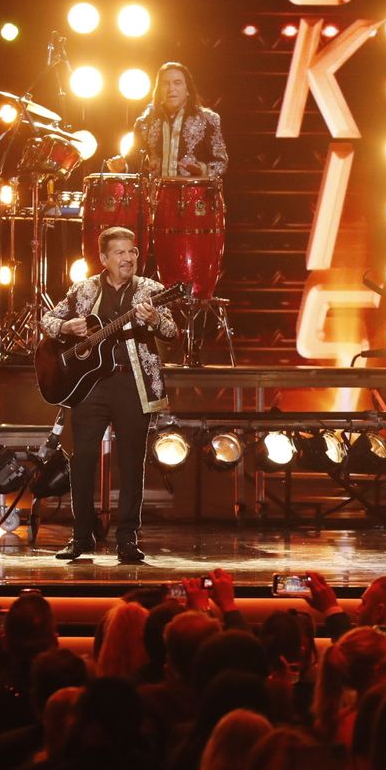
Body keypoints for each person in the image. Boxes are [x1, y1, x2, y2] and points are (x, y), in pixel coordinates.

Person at [42, 226, 180, 563]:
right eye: (119, 253)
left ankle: (128, 539)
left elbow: (173, 331)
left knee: (132, 462)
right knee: (83, 460)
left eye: (131, 252)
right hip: (89, 387)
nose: (128, 258)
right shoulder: (84, 290)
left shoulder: (151, 290)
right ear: (103, 258)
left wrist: (156, 318)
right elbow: (46, 320)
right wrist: (65, 327)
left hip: (132, 385)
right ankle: (81, 536)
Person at [106, 62, 228, 180]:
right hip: (154, 198)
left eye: (177, 83)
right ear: (158, 90)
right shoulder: (145, 123)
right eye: (165, 84)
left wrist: (202, 170)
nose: (171, 89)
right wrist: (122, 167)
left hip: (194, 197)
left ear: (188, 90)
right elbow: (134, 164)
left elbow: (221, 163)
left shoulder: (208, 120)